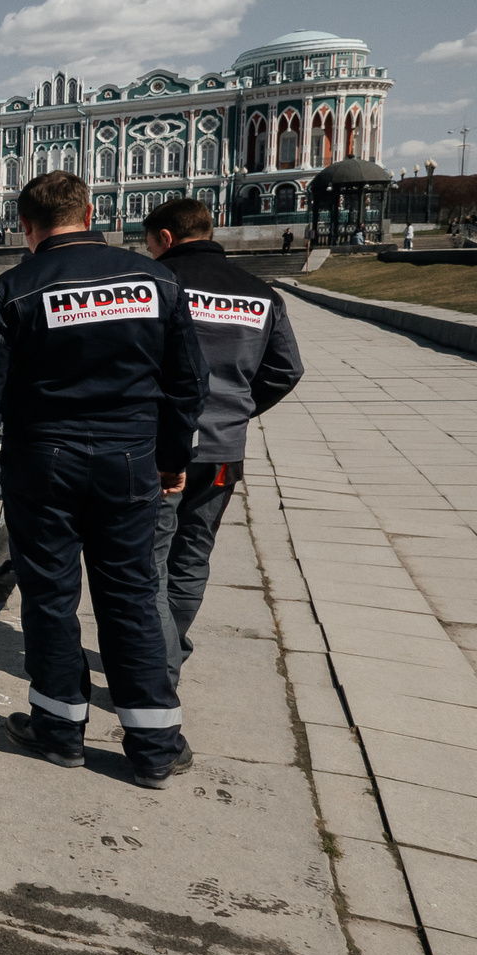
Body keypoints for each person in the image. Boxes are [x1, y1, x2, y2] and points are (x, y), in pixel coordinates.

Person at [0, 172, 208, 788]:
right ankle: (155, 749)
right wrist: (171, 459)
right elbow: (187, 383)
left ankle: (57, 732)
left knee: (51, 597)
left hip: (43, 464)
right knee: (132, 594)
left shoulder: (13, 290)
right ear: (90, 213)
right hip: (130, 462)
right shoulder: (156, 280)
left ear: (26, 227)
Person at [141, 198, 306, 687]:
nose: (149, 253)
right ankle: (171, 649)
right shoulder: (260, 293)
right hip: (223, 451)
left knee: (150, 560)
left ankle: (158, 669)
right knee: (192, 556)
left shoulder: (157, 284)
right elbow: (287, 369)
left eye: (149, 245)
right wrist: (237, 410)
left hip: (158, 450)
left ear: (166, 238)